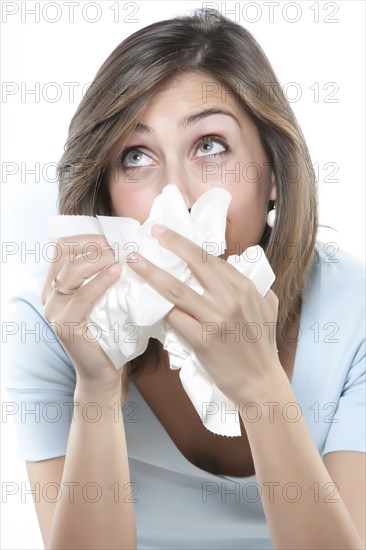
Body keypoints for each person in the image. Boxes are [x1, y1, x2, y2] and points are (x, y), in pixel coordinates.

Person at [3, 8, 365, 550]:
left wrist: (262, 388)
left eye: (210, 146)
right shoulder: (51, 318)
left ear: (273, 173)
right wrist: (97, 385)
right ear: (106, 192)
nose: (176, 194)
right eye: (137, 156)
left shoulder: (351, 312)